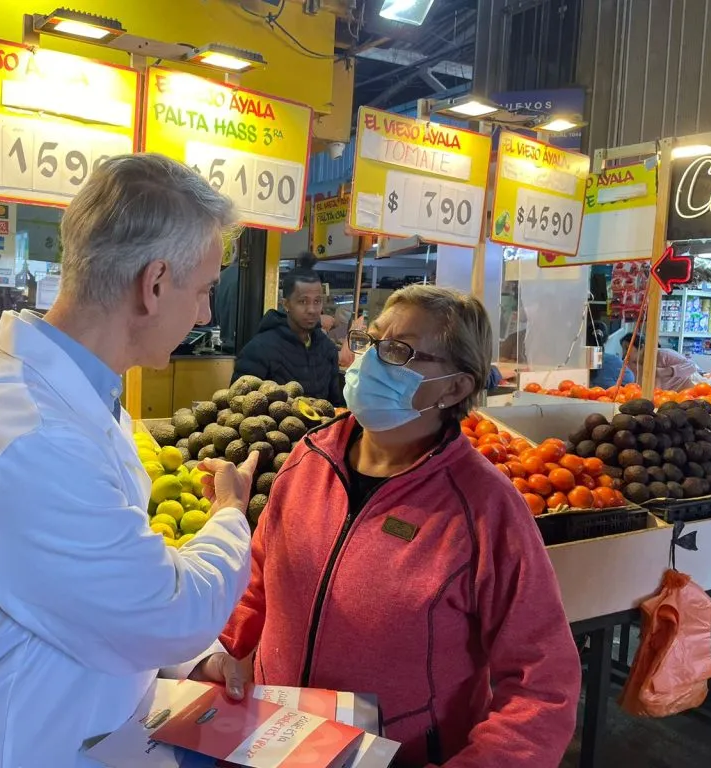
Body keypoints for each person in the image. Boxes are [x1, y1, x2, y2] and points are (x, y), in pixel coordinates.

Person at [0, 154, 260, 768]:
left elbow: (95, 588)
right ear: (154, 284)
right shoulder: (33, 437)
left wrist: (190, 660)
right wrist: (230, 514)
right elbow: (164, 609)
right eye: (202, 292)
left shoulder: (79, 404)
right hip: (13, 747)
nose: (205, 315)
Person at [195, 285, 581, 768]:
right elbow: (259, 582)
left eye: (398, 352)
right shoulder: (307, 460)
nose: (369, 361)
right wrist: (222, 652)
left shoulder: (485, 510)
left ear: (456, 387)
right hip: (276, 743)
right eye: (369, 339)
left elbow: (543, 683)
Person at [232, 254, 345, 405]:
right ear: (285, 304)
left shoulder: (327, 348)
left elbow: (335, 405)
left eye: (317, 301)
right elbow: (238, 406)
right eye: (303, 301)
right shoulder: (258, 350)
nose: (312, 309)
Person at [625, 333, 706, 391]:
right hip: (664, 398)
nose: (624, 353)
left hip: (687, 393)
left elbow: (691, 366)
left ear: (641, 346)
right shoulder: (631, 364)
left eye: (627, 348)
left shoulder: (663, 354)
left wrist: (665, 371)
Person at [588, 323, 635, 389]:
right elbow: (630, 379)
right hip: (609, 398)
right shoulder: (613, 361)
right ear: (606, 339)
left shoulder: (577, 361)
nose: (624, 354)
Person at [214, 257, 239, 350]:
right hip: (245, 346)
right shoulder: (251, 276)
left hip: (225, 344)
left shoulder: (222, 276)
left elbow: (216, 315)